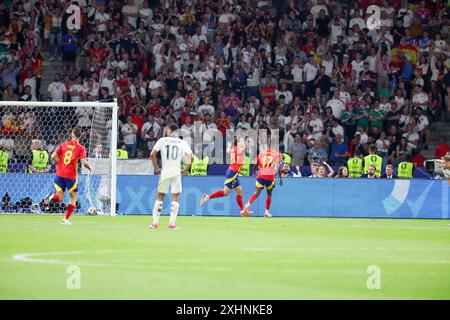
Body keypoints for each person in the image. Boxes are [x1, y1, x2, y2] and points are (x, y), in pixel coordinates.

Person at [45, 127, 92, 224]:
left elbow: (53, 156)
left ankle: (50, 197)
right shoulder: (81, 148)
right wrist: (90, 168)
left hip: (59, 174)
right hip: (70, 176)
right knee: (73, 198)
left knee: (60, 197)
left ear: (72, 135)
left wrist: (60, 164)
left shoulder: (64, 144)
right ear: (80, 136)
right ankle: (65, 219)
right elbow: (84, 162)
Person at [150, 124, 193, 230]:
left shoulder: (162, 140)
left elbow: (152, 154)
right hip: (176, 172)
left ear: (169, 131)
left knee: (160, 197)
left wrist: (156, 167)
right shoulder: (182, 142)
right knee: (175, 197)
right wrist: (185, 170)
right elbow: (190, 157)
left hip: (165, 171)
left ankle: (155, 224)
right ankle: (171, 224)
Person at [200, 137, 247, 215]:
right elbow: (244, 148)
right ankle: (207, 197)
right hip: (233, 173)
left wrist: (229, 147)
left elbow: (228, 151)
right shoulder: (238, 149)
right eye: (241, 141)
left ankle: (242, 211)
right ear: (237, 143)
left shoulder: (234, 149)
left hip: (234, 173)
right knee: (225, 193)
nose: (243, 142)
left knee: (239, 191)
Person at [242, 145, 283, 218]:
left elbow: (255, 164)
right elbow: (279, 167)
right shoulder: (277, 154)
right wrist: (280, 178)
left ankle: (247, 206)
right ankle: (266, 212)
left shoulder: (261, 153)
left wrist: (254, 172)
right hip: (270, 176)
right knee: (269, 194)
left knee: (256, 193)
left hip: (260, 175)